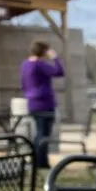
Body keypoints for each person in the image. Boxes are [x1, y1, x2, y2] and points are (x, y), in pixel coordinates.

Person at [20, 41, 65, 169]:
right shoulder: (40, 65)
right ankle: (40, 162)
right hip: (45, 103)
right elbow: (59, 72)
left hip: (32, 103)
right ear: (44, 52)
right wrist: (55, 58)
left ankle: (40, 161)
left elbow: (23, 84)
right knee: (43, 134)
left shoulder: (25, 65)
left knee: (39, 133)